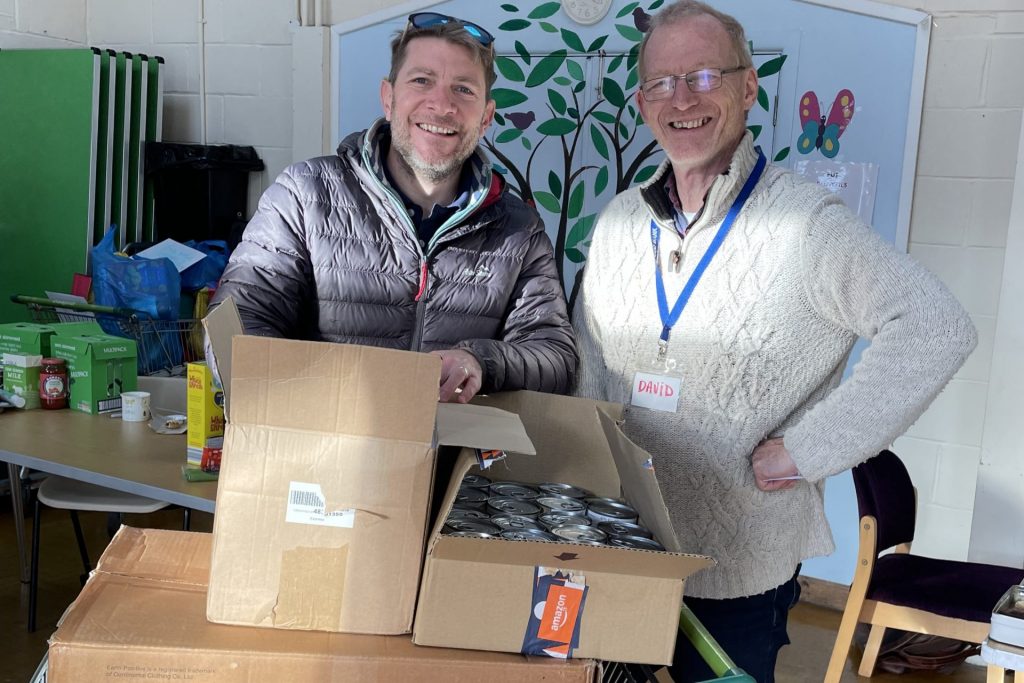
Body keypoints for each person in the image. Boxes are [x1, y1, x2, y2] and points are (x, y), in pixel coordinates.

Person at [571, 2, 976, 680]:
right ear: (642, 103)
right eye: (662, 82)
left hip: (738, 563)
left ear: (748, 87)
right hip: (623, 545)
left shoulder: (806, 224)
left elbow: (936, 328)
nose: (682, 99)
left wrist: (807, 450)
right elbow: (590, 366)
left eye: (704, 75)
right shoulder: (618, 223)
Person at [209, 12, 576, 402]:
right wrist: (326, 398)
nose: (442, 104)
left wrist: (480, 361)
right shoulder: (304, 195)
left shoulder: (519, 230)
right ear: (388, 98)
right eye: (422, 81)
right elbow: (235, 327)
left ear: (485, 117)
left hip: (455, 440)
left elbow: (556, 358)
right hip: (320, 431)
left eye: (463, 89)